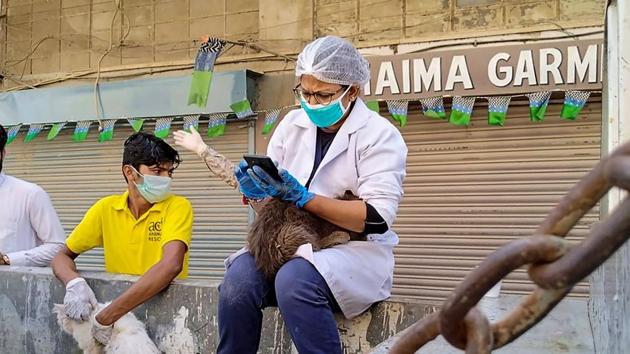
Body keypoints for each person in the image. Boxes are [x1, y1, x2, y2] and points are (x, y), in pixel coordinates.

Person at [175, 35, 407, 354]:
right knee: (238, 281)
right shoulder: (291, 125)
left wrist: (304, 197)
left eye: (323, 95)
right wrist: (259, 192)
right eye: (305, 92)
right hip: (294, 242)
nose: (311, 102)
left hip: (351, 250)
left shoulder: (380, 136)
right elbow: (276, 210)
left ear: (353, 90)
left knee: (294, 279)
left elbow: (377, 219)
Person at [51, 132, 193, 346]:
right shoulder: (105, 209)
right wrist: (74, 282)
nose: (165, 179)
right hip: (120, 326)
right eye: (157, 171)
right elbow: (62, 255)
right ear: (130, 172)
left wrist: (106, 316)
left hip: (168, 321)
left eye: (169, 172)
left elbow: (170, 265)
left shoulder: (177, 207)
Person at [0, 123, 65, 267]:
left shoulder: (30, 194)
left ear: (2, 154)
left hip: (15, 286)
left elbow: (58, 247)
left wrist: (8, 259)